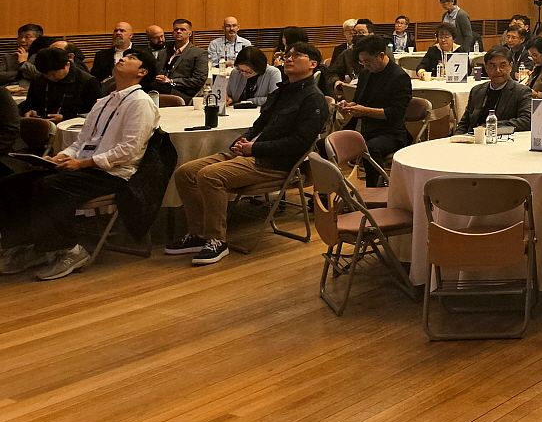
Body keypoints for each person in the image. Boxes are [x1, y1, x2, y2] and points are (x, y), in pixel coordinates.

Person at [0, 51, 160, 280]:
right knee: (12, 183)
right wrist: (62, 156)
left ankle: (69, 250)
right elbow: (83, 141)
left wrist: (84, 162)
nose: (123, 58)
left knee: (50, 186)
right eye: (124, 56)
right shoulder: (105, 101)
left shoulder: (141, 102)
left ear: (142, 72)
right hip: (85, 165)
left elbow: (129, 150)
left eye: (132, 58)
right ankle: (27, 245)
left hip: (113, 172)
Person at [166, 42, 328, 266]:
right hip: (251, 153)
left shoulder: (313, 99)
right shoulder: (282, 91)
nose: (289, 59)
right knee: (185, 172)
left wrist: (253, 148)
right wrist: (241, 141)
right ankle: (198, 233)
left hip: (274, 163)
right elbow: (258, 125)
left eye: (297, 55)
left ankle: (216, 240)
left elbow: (299, 143)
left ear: (313, 64)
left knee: (210, 176)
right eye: (287, 55)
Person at [339, 36, 412, 186]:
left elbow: (395, 114)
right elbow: (359, 101)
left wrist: (364, 111)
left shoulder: (399, 77)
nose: (365, 65)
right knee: (326, 144)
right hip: (365, 128)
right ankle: (326, 193)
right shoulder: (366, 73)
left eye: (368, 61)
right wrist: (349, 106)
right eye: (362, 62)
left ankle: (374, 191)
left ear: (381, 55)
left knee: (371, 148)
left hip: (390, 132)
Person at [455, 48, 532, 135]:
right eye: (492, 66)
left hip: (501, 139)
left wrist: (489, 126)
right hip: (472, 138)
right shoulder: (477, 90)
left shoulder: (521, 92)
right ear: (486, 68)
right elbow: (464, 123)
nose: (497, 71)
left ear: (510, 66)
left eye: (502, 66)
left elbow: (527, 121)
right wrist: (457, 137)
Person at [21, 47, 102, 122]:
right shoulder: (39, 78)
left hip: (72, 125)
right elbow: (29, 103)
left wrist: (65, 117)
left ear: (67, 65)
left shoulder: (88, 81)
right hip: (41, 123)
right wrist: (29, 110)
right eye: (45, 74)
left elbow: (95, 113)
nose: (49, 77)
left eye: (53, 74)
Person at [156, 19, 209, 99]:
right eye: (176, 29)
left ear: (190, 33)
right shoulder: (163, 52)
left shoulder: (199, 53)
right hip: (159, 89)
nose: (178, 32)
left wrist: (171, 81)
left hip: (182, 92)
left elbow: (199, 80)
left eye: (183, 30)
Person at [321, 19, 372, 92]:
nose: (357, 35)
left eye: (362, 32)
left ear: (371, 34)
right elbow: (332, 73)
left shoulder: (380, 52)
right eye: (355, 33)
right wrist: (336, 82)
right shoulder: (348, 53)